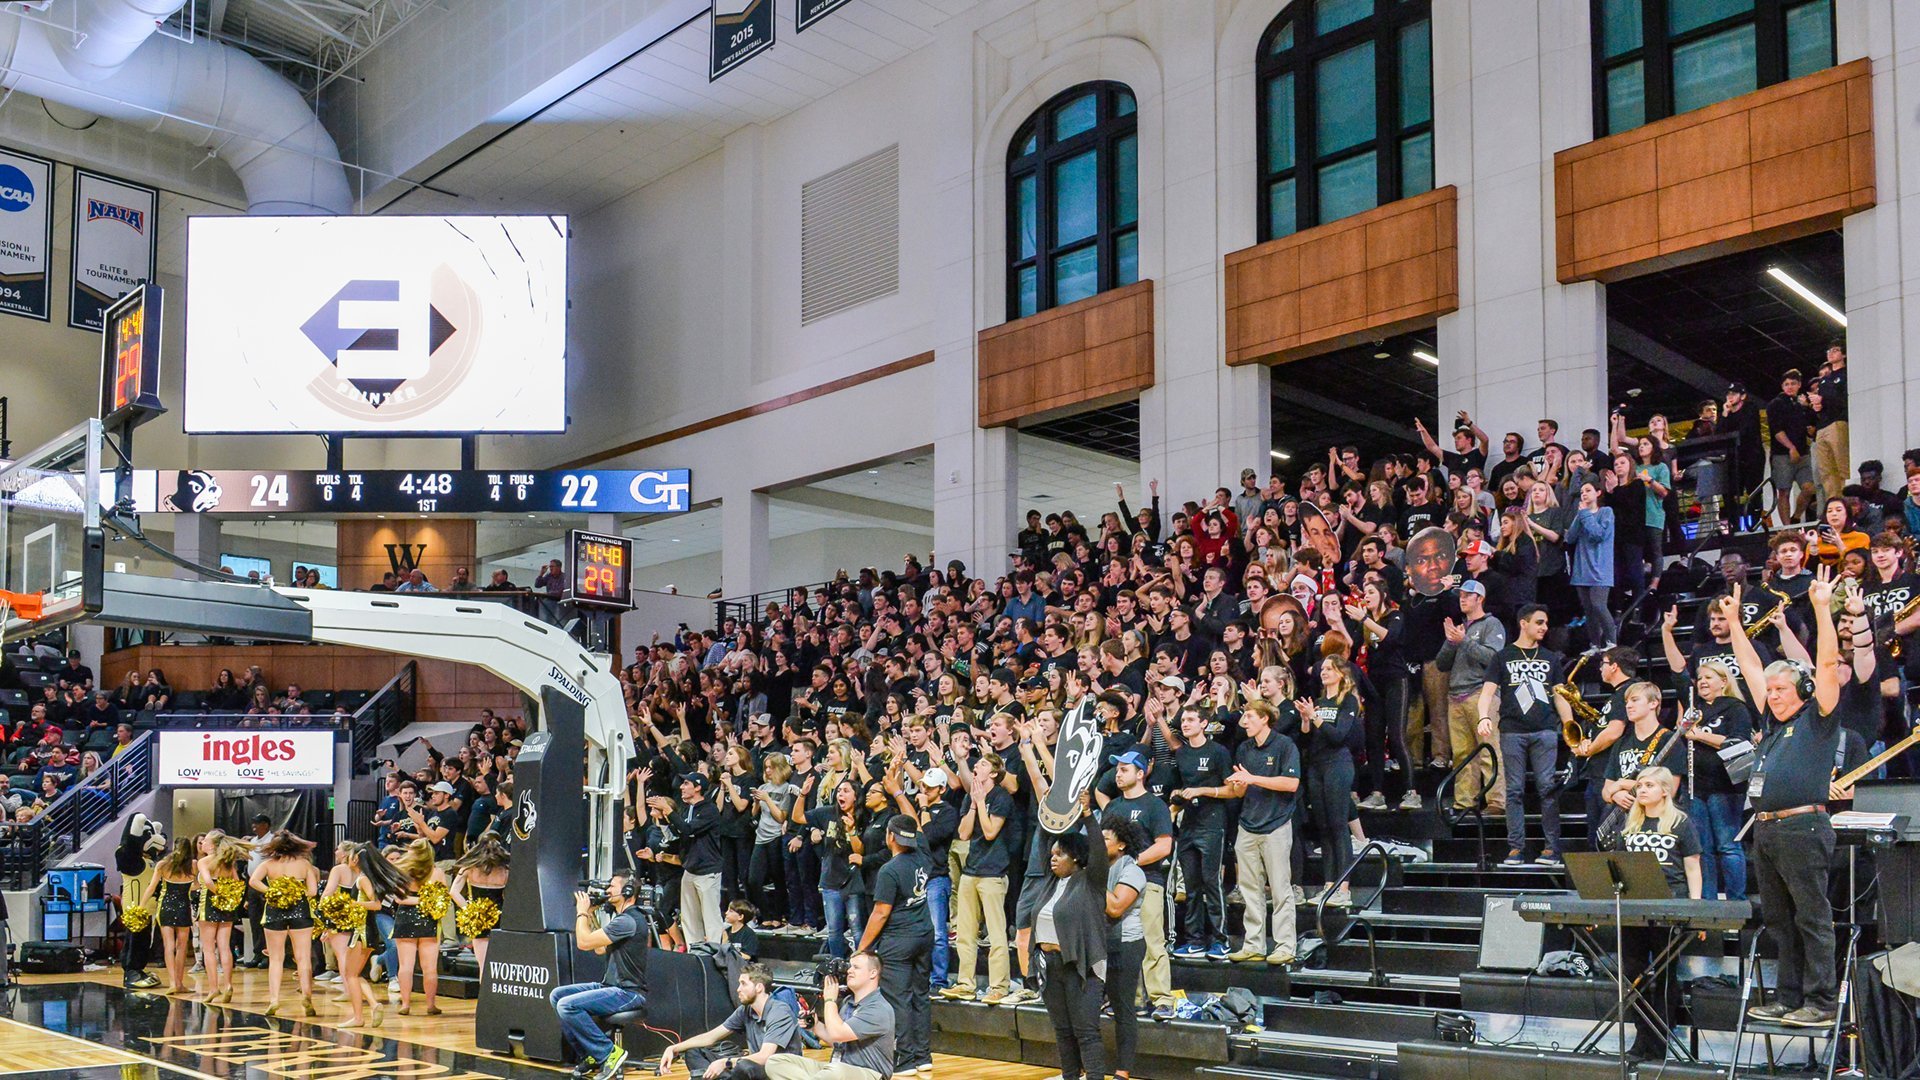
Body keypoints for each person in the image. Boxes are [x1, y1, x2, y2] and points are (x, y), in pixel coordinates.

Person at [1721, 568, 1845, 1028]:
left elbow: (1827, 665)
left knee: (1812, 918)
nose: (1772, 696)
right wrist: (1734, 624)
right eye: (1770, 691)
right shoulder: (1773, 723)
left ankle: (1822, 1003)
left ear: (1802, 693)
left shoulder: (1818, 717)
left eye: (1781, 690)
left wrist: (1820, 609)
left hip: (1803, 825)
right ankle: (1787, 996)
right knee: (1779, 921)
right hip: (1767, 829)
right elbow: (1751, 668)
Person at [1605, 766, 1703, 1061]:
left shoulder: (1681, 822)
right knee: (1631, 973)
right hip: (1635, 910)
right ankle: (1642, 1035)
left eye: (1649, 785)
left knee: (1665, 975)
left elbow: (1693, 865)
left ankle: (1659, 1041)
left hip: (1670, 908)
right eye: (1640, 786)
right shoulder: (1629, 822)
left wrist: (1695, 908)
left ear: (1665, 790)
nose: (1642, 790)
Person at [1477, 604, 1573, 866]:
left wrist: (1570, 726)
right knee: (1514, 791)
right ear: (1523, 623)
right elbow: (1487, 692)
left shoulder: (1551, 658)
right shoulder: (1503, 656)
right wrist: (1484, 716)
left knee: (1547, 789)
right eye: (1539, 622)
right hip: (1512, 731)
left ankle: (1552, 849)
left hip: (1545, 731)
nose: (1544, 627)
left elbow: (1560, 695)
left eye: (1545, 623)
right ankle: (1515, 848)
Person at [550, 868, 650, 1080]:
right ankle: (592, 1054)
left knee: (567, 1005)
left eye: (612, 886)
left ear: (628, 891)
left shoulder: (628, 921)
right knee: (557, 995)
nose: (608, 890)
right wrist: (592, 914)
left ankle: (609, 1052)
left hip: (628, 992)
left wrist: (582, 912)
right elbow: (598, 948)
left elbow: (583, 943)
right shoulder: (621, 919)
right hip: (611, 986)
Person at [855, 815, 934, 1076]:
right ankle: (924, 1056)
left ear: (890, 837)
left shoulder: (889, 870)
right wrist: (900, 793)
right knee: (921, 995)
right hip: (924, 934)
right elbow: (918, 830)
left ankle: (906, 1059)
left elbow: (880, 913)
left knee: (899, 999)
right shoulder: (923, 853)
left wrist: (862, 947)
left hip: (899, 940)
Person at [1098, 749, 1175, 1017]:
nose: (1118, 774)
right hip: (1114, 884)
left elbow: (1164, 845)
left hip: (1147, 881)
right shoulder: (1112, 807)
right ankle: (1130, 999)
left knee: (1152, 941)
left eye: (1124, 769)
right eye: (1117, 769)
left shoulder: (1155, 805)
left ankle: (1162, 999)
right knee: (1120, 944)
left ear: (1140, 774)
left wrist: (1131, 862)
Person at [1226, 699, 1302, 965]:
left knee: (1281, 889)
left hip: (1276, 825)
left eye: (1248, 716)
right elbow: (1240, 789)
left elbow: (1291, 783)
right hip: (1247, 824)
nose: (1243, 721)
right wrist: (1236, 785)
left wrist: (1252, 778)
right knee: (1249, 890)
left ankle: (1285, 946)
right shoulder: (1244, 749)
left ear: (1264, 719)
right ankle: (1254, 944)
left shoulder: (1284, 745)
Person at [1034, 813, 1109, 1080]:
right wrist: (1052, 809)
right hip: (1050, 965)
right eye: (1052, 854)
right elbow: (1043, 835)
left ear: (1076, 857)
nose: (1052, 858)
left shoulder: (1092, 881)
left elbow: (1098, 849)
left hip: (1082, 965)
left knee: (1086, 1032)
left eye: (1059, 854)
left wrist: (1088, 817)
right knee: (1063, 1031)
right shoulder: (1050, 882)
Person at [940, 753, 1013, 1002]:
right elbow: (963, 833)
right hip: (970, 871)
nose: (975, 767)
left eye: (982, 764)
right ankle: (965, 983)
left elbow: (991, 832)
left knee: (995, 933)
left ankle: (999, 986)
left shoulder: (1001, 797)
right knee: (965, 933)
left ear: (993, 773)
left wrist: (981, 803)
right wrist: (973, 804)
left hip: (993, 873)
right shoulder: (971, 797)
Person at [1680, 659, 1753, 901]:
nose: (1702, 682)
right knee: (1703, 850)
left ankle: (1736, 900)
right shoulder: (1694, 712)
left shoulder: (1735, 708)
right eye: (1700, 678)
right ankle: (1708, 902)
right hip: (1696, 787)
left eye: (1708, 678)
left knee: (1727, 845)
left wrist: (1700, 735)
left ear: (1724, 681)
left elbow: (1740, 742)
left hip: (1725, 786)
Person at [765, 951, 896, 1080]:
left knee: (835, 1071)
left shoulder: (878, 1008)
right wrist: (816, 1026)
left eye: (856, 967)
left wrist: (830, 1000)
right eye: (849, 966)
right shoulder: (848, 1002)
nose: (849, 971)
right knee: (776, 1061)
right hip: (838, 1068)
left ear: (873, 973)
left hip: (870, 1073)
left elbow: (838, 1033)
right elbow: (838, 1041)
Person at [658, 963, 804, 1080]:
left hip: (778, 1072)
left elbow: (765, 1056)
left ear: (759, 987)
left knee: (744, 1066)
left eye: (743, 984)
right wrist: (674, 1048)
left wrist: (725, 1062)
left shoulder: (779, 1011)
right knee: (694, 1053)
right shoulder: (746, 1010)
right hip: (754, 1069)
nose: (738, 989)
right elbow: (711, 1036)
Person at [1435, 581, 1506, 813]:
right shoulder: (1460, 628)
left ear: (1480, 599)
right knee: (1462, 754)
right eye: (1461, 595)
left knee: (1489, 748)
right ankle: (1465, 802)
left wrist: (1463, 641)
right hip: (1456, 695)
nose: (1462, 599)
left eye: (1468, 595)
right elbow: (1442, 664)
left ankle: (1496, 802)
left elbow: (1494, 658)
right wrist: (1450, 642)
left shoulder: (1491, 624)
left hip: (1481, 694)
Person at [1170, 706, 1233, 960]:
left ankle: (1221, 940)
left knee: (1211, 881)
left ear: (1204, 724)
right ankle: (1195, 940)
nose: (1185, 724)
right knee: (1191, 885)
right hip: (1188, 824)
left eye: (1191, 720)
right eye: (1183, 720)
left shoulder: (1218, 752)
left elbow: (1232, 791)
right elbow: (1180, 789)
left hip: (1212, 823)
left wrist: (1203, 791)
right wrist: (1175, 801)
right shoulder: (1182, 753)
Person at [1299, 655, 1361, 905]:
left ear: (1341, 673)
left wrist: (1315, 717)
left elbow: (1338, 736)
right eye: (1322, 668)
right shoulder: (1319, 701)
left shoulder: (1348, 701)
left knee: (1338, 824)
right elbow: (1306, 742)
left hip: (1338, 764)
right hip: (1316, 766)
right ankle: (1328, 885)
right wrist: (1305, 721)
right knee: (1323, 827)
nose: (1323, 672)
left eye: (1329, 669)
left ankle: (1344, 888)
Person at [248, 830, 319, 1017]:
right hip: (300, 911)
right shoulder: (304, 864)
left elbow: (253, 881)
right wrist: (295, 893)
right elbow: (312, 891)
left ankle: (274, 1000)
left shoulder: (268, 864)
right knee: (303, 957)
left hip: (275, 910)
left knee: (276, 958)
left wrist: (271, 891)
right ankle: (307, 995)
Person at [340, 841, 408, 1029]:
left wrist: (353, 905)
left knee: (350, 975)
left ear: (357, 858)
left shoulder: (363, 879)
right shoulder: (361, 877)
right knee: (352, 974)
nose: (347, 858)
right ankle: (373, 1004)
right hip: (361, 930)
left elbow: (376, 904)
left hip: (363, 931)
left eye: (351, 855)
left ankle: (358, 1017)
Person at [1101, 814, 1149, 1080]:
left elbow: (1116, 907)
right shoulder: (1099, 866)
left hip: (1125, 945)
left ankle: (1123, 1070)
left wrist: (1094, 875)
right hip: (1098, 943)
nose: (1099, 842)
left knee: (1122, 1009)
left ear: (1121, 845)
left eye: (1106, 838)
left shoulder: (1133, 871)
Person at [116, 813, 167, 990]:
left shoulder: (150, 862)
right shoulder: (131, 860)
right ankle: (131, 971)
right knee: (135, 939)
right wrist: (135, 827)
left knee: (145, 940)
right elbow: (127, 847)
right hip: (135, 908)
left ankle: (139, 968)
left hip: (149, 909)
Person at [194, 832, 247, 1002]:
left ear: (212, 845)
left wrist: (219, 894)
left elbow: (208, 882)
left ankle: (213, 988)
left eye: (206, 841)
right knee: (224, 946)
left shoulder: (204, 861)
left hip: (210, 902)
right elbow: (238, 881)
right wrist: (228, 897)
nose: (202, 844)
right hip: (228, 905)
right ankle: (228, 985)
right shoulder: (228, 862)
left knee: (209, 948)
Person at [143, 837, 198, 996]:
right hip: (184, 907)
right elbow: (196, 885)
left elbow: (152, 887)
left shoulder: (163, 864)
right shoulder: (193, 865)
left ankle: (173, 983)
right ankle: (179, 983)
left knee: (169, 946)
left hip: (166, 907)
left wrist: (141, 905)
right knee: (181, 947)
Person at [450, 831, 510, 974]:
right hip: (501, 918)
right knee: (500, 965)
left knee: (483, 965)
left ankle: (484, 996)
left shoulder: (469, 867)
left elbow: (453, 892)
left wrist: (470, 910)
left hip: (477, 919)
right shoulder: (506, 869)